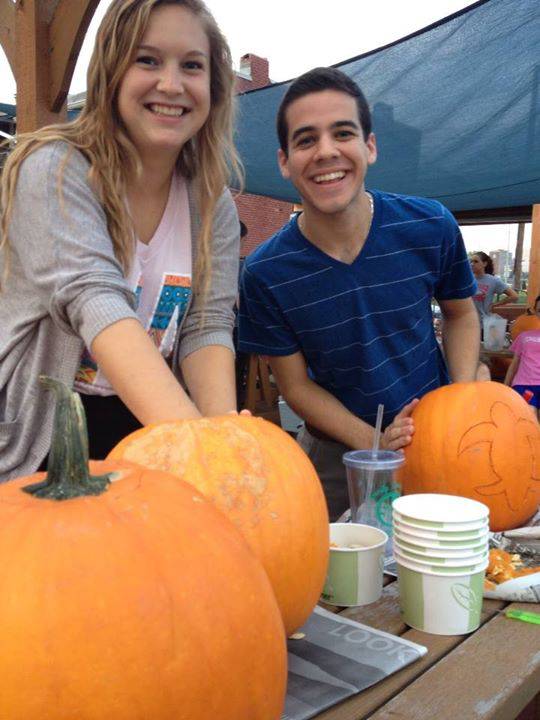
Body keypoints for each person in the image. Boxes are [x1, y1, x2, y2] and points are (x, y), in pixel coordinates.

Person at [0, 0, 242, 480]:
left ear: (213, 87)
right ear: (111, 70)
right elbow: (94, 299)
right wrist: (201, 453)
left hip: (146, 425)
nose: (171, 85)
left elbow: (207, 325)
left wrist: (226, 442)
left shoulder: (213, 204)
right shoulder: (55, 168)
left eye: (191, 66)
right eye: (147, 60)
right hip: (40, 437)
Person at [239, 67, 480, 518]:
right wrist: (375, 443)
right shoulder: (265, 271)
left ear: (369, 146)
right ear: (284, 161)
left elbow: (461, 314)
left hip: (439, 441)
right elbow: (295, 385)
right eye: (306, 139)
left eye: (343, 133)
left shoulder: (429, 225)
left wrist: (459, 406)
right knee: (334, 579)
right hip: (336, 455)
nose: (326, 152)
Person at [504, 295, 540, 420]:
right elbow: (514, 364)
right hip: (524, 384)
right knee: (529, 416)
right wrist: (505, 386)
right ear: (535, 312)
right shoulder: (524, 336)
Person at [470, 251, 518, 321]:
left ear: (484, 264)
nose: (472, 264)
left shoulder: (493, 280)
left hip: (484, 323)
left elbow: (514, 296)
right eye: (471, 261)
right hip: (467, 322)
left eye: (476, 261)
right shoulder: (467, 279)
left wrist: (495, 304)